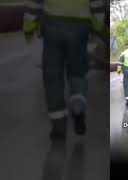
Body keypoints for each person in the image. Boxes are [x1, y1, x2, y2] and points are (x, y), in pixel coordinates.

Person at [23, 0, 106, 139]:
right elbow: (98, 5)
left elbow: (34, 3)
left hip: (52, 26)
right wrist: (97, 27)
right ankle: (78, 107)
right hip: (80, 27)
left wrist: (28, 26)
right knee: (77, 70)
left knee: (52, 77)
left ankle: (58, 126)